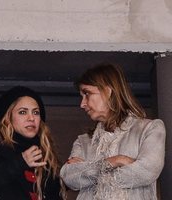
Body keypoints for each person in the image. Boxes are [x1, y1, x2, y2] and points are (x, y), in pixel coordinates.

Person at [60, 64, 166, 200]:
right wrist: (116, 160)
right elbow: (69, 177)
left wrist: (88, 172)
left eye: (87, 94)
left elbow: (146, 172)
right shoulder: (83, 141)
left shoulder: (150, 128)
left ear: (108, 91)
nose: (82, 104)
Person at [0, 86, 66, 200]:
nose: (31, 118)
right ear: (8, 116)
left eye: (36, 112)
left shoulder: (44, 149)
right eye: (22, 112)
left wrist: (69, 175)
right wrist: (20, 162)